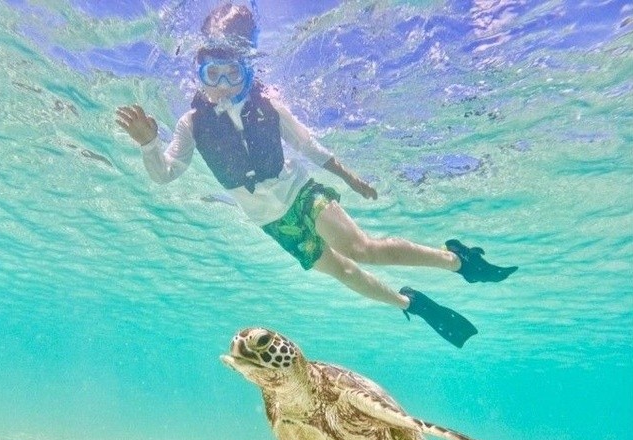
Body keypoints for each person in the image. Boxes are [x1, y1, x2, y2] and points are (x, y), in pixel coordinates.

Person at [115, 3, 517, 348]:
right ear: (199, 74)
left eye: (232, 74)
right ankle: (413, 304)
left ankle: (459, 261)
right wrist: (149, 145)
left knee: (360, 249)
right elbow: (165, 174)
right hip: (270, 220)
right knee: (343, 271)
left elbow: (310, 147)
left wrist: (350, 178)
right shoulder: (191, 124)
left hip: (301, 192)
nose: (222, 85)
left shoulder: (268, 106)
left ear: (247, 72)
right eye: (212, 75)